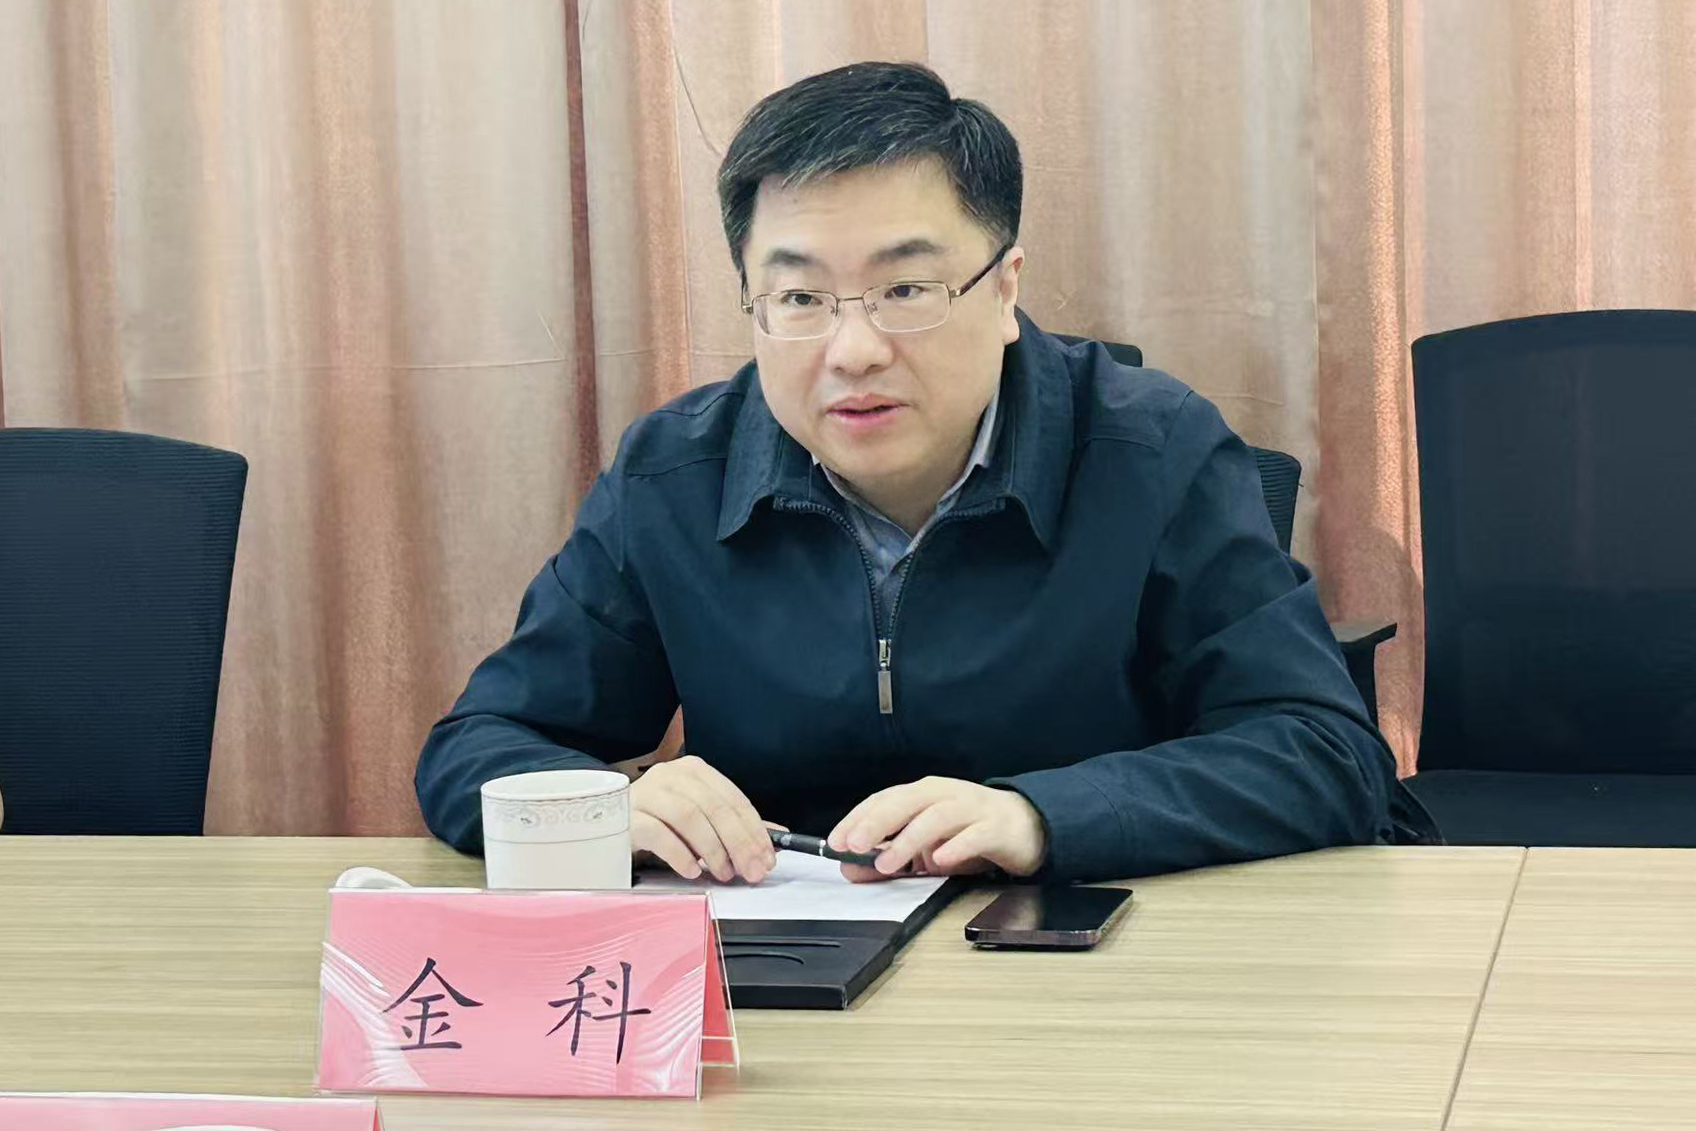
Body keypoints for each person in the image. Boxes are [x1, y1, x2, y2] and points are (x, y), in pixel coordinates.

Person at [416, 61, 1400, 885]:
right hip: (782, 979)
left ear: (1004, 288)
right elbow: (480, 744)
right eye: (799, 297)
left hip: (1081, 957)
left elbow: (1324, 751)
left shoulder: (1151, 451)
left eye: (905, 289)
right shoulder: (672, 476)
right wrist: (608, 807)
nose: (852, 350)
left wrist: (1041, 817)